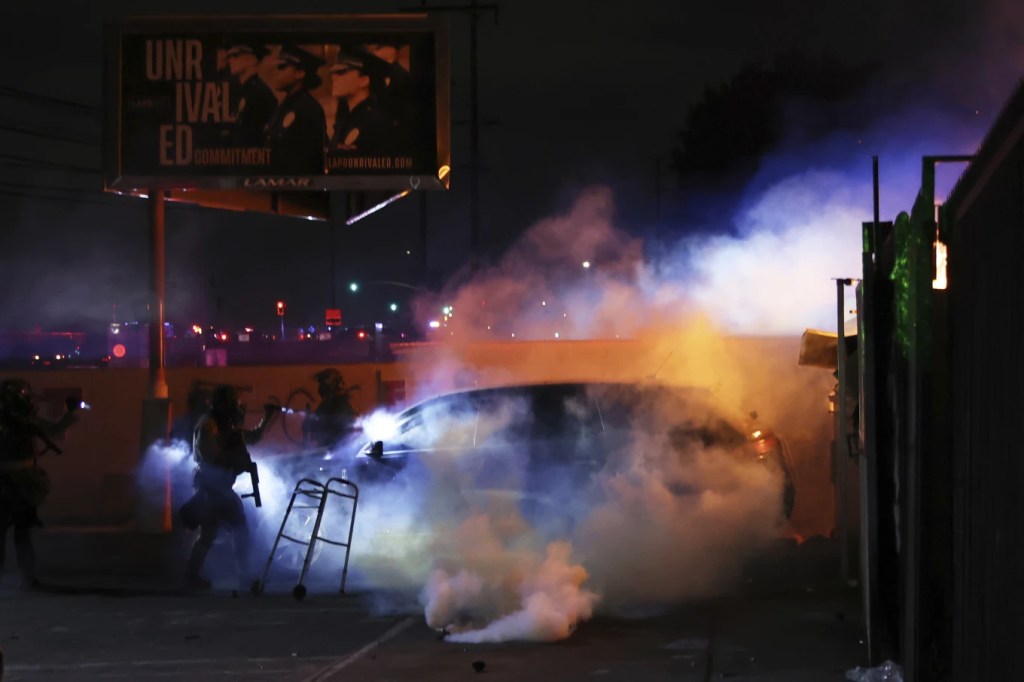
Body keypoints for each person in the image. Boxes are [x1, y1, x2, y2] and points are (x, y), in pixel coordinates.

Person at [180, 384, 278, 592]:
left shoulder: (224, 424)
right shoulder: (209, 425)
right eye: (232, 401)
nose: (237, 405)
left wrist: (267, 418)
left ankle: (192, 577)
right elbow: (212, 456)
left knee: (212, 534)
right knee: (235, 531)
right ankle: (242, 576)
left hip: (219, 488)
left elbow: (250, 437)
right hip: (212, 488)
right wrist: (238, 462)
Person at [0, 378, 79, 590]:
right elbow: (53, 429)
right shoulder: (23, 421)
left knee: (19, 532)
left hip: (19, 482)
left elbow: (52, 429)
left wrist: (69, 413)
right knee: (21, 532)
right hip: (19, 482)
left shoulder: (25, 421)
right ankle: (27, 578)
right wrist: (69, 413)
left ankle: (26, 578)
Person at [263, 43, 327, 174]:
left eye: (282, 67)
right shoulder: (283, 106)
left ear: (299, 73)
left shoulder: (309, 109)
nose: (276, 72)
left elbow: (310, 161)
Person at [328, 46, 394, 156]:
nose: (333, 77)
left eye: (341, 71)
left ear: (363, 81)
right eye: (335, 71)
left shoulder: (375, 122)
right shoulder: (346, 118)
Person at [222, 38, 277, 147]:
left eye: (236, 55)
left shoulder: (261, 94)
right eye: (229, 57)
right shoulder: (234, 89)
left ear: (253, 60)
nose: (230, 61)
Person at [302, 368, 358, 450]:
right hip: (330, 447)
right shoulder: (328, 403)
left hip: (336, 449)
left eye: (322, 383)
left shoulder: (339, 403)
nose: (320, 387)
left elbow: (336, 424)